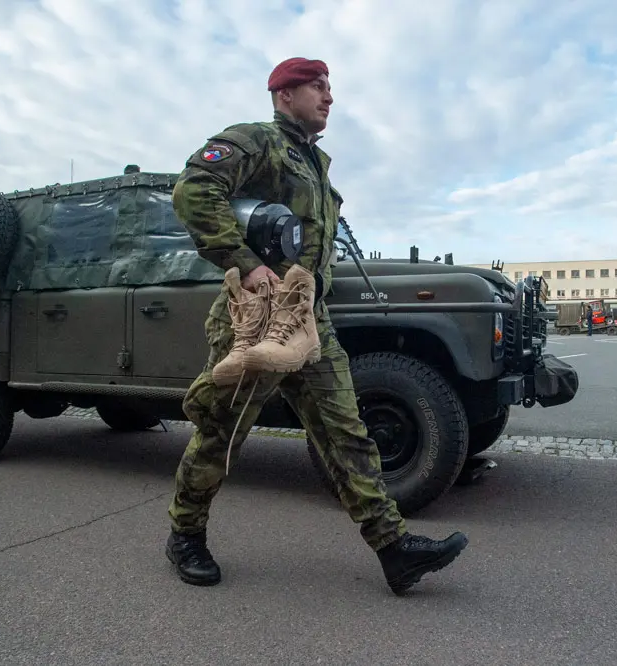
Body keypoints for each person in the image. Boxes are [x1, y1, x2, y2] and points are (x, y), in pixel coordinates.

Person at [163, 57, 469, 595]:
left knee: (346, 432)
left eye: (330, 87)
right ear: (285, 95)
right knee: (221, 433)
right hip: (259, 320)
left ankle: (394, 549)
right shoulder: (257, 141)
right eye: (317, 87)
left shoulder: (314, 163)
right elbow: (193, 190)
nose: (329, 97)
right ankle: (185, 533)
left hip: (308, 321)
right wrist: (244, 262)